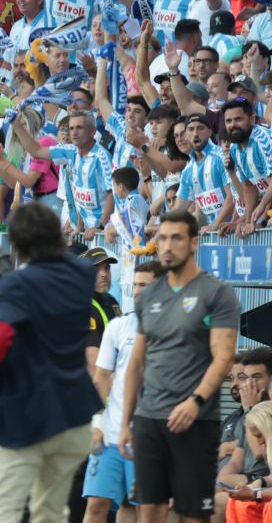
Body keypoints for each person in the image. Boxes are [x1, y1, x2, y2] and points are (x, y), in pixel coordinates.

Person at [118, 208, 241, 523]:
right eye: (161, 238)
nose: (167, 246)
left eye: (176, 238)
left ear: (194, 242)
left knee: (192, 515)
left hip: (196, 421)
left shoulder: (217, 293)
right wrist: (126, 422)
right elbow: (137, 362)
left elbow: (224, 356)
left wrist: (195, 401)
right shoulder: (148, 296)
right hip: (149, 419)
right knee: (149, 511)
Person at [0, 201, 103, 521]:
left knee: (7, 511)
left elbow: (2, 339)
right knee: (52, 512)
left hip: (26, 416)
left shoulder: (16, 286)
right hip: (73, 413)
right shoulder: (82, 274)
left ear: (17, 243)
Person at [87, 258, 158, 523]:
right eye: (136, 285)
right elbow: (101, 376)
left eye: (145, 285)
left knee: (140, 508)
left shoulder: (176, 328)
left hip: (149, 435)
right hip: (110, 434)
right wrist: (97, 422)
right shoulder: (118, 326)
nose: (138, 291)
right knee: (96, 504)